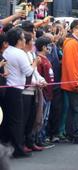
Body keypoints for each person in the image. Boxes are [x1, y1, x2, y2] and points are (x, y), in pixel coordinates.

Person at [2, 27, 38, 157]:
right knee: (17, 121)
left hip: (8, 89)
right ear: (18, 40)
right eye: (23, 38)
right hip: (16, 89)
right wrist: (34, 63)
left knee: (7, 119)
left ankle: (7, 146)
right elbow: (28, 72)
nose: (25, 41)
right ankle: (17, 149)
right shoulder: (20, 53)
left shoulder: (7, 51)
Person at [35, 36, 55, 149]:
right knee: (41, 117)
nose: (51, 47)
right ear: (43, 47)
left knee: (45, 117)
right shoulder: (39, 60)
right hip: (44, 93)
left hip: (49, 93)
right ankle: (39, 139)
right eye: (49, 45)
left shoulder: (46, 59)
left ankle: (42, 137)